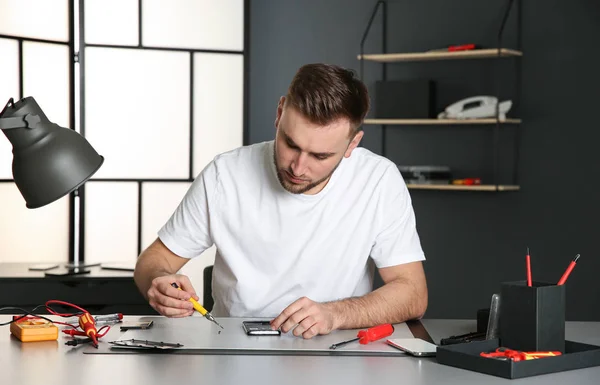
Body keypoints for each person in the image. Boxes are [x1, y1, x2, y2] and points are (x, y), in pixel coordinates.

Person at [134, 63, 428, 339]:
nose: (298, 168)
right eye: (291, 143)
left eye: (320, 156)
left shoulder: (378, 180)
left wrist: (335, 314)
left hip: (335, 350)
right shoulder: (225, 174)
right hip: (232, 348)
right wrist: (159, 282)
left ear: (352, 144)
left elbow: (412, 292)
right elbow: (154, 261)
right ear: (279, 113)